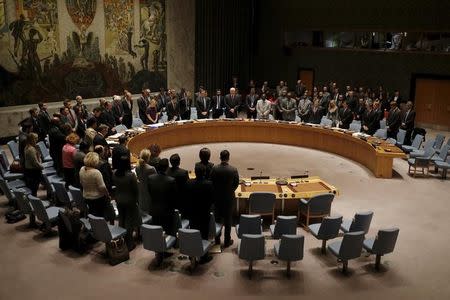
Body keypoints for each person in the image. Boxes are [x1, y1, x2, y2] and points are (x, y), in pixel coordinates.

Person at [185, 164, 214, 264]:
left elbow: (187, 197)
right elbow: (211, 199)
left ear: (195, 172)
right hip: (204, 213)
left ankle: (192, 253)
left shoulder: (189, 183)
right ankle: (204, 256)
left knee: (193, 231)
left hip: (192, 212)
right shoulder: (209, 184)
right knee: (204, 234)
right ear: (205, 173)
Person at [210, 150, 239, 247]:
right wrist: (230, 191)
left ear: (220, 157)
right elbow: (236, 184)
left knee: (217, 219)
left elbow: (211, 182)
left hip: (217, 198)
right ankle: (227, 241)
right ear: (228, 158)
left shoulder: (214, 169)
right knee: (228, 220)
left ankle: (217, 239)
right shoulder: (233, 169)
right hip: (229, 198)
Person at [113, 155, 141, 251]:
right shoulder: (130, 175)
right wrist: (137, 200)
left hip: (118, 199)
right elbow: (136, 190)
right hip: (129, 200)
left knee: (121, 219)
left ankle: (122, 240)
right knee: (129, 221)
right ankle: (129, 244)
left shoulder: (114, 173)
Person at [147, 158, 177, 235]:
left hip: (154, 210)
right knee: (168, 233)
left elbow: (149, 192)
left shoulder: (150, 178)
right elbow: (173, 197)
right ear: (167, 168)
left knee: (156, 234)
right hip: (167, 212)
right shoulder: (171, 180)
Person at [79, 152, 111, 219]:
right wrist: (107, 195)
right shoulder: (96, 172)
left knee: (92, 215)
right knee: (99, 216)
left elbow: (81, 183)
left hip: (86, 196)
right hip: (97, 199)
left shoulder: (82, 169)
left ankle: (94, 226)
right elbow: (102, 187)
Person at [135, 149, 156, 213]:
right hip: (149, 189)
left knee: (142, 205)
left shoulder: (137, 167)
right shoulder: (151, 169)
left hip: (141, 188)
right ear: (148, 158)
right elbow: (155, 180)